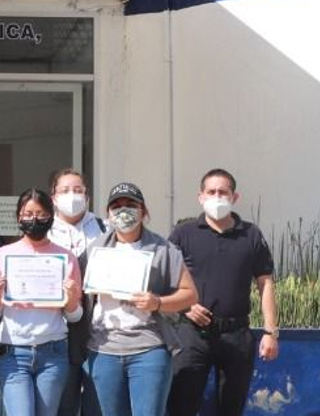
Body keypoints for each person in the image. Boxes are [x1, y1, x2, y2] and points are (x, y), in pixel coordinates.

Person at [167, 168, 279, 416]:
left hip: (236, 335)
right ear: (201, 197)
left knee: (231, 408)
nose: (217, 197)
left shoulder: (251, 234)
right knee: (180, 406)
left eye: (223, 192)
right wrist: (185, 306)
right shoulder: (183, 234)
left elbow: (266, 283)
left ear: (234, 197)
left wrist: (270, 331)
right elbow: (165, 278)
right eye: (211, 192)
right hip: (191, 335)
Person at [85, 182, 197, 416]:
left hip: (149, 349)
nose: (123, 211)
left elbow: (189, 294)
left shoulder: (164, 249)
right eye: (116, 206)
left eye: (131, 205)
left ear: (144, 212)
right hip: (104, 349)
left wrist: (158, 303)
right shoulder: (95, 250)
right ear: (108, 214)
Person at [0, 189, 84, 416]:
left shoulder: (65, 257)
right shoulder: (2, 255)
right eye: (28, 213)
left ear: (51, 216)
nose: (34, 219)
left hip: (53, 352)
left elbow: (75, 315)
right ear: (18, 217)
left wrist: (70, 302)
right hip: (13, 352)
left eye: (40, 214)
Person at [46, 168, 105, 416]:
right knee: (65, 404)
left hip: (98, 329)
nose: (73, 195)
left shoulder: (105, 228)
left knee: (97, 404)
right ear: (53, 197)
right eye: (65, 190)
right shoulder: (44, 231)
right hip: (57, 328)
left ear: (87, 196)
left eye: (78, 190)